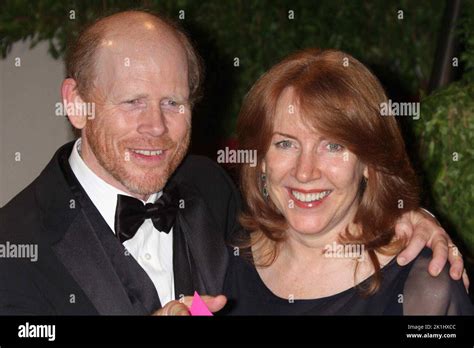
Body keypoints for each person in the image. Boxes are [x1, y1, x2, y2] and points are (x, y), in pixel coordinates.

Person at [0, 11, 466, 316]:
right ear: (77, 105)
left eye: (173, 103)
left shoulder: (208, 188)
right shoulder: (13, 250)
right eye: (132, 102)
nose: (155, 127)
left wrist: (408, 216)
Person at [222, 49, 473, 315]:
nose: (305, 172)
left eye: (333, 146)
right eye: (285, 144)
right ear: (261, 160)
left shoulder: (426, 290)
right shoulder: (221, 262)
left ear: (369, 162)